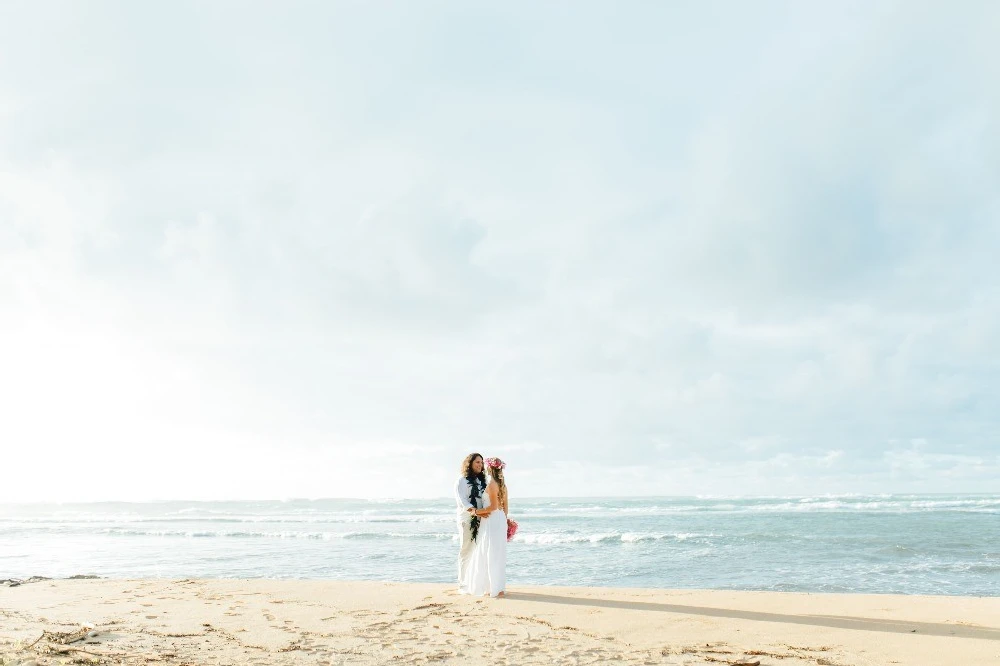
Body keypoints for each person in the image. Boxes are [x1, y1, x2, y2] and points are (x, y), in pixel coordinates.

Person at [460, 456, 508, 598]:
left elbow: (492, 507)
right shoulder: (503, 485)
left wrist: (477, 512)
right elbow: (505, 508)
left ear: (489, 468)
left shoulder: (492, 484)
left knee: (488, 552)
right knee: (497, 553)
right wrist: (503, 522)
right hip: (499, 519)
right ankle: (497, 587)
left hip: (492, 520)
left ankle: (491, 588)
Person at [454, 453, 486, 588]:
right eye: (477, 462)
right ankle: (462, 583)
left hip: (481, 519)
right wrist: (474, 511)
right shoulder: (462, 480)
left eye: (481, 462)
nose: (480, 465)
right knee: (466, 550)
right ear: (470, 463)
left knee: (478, 550)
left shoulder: (481, 481)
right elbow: (462, 501)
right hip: (467, 519)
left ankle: (474, 580)